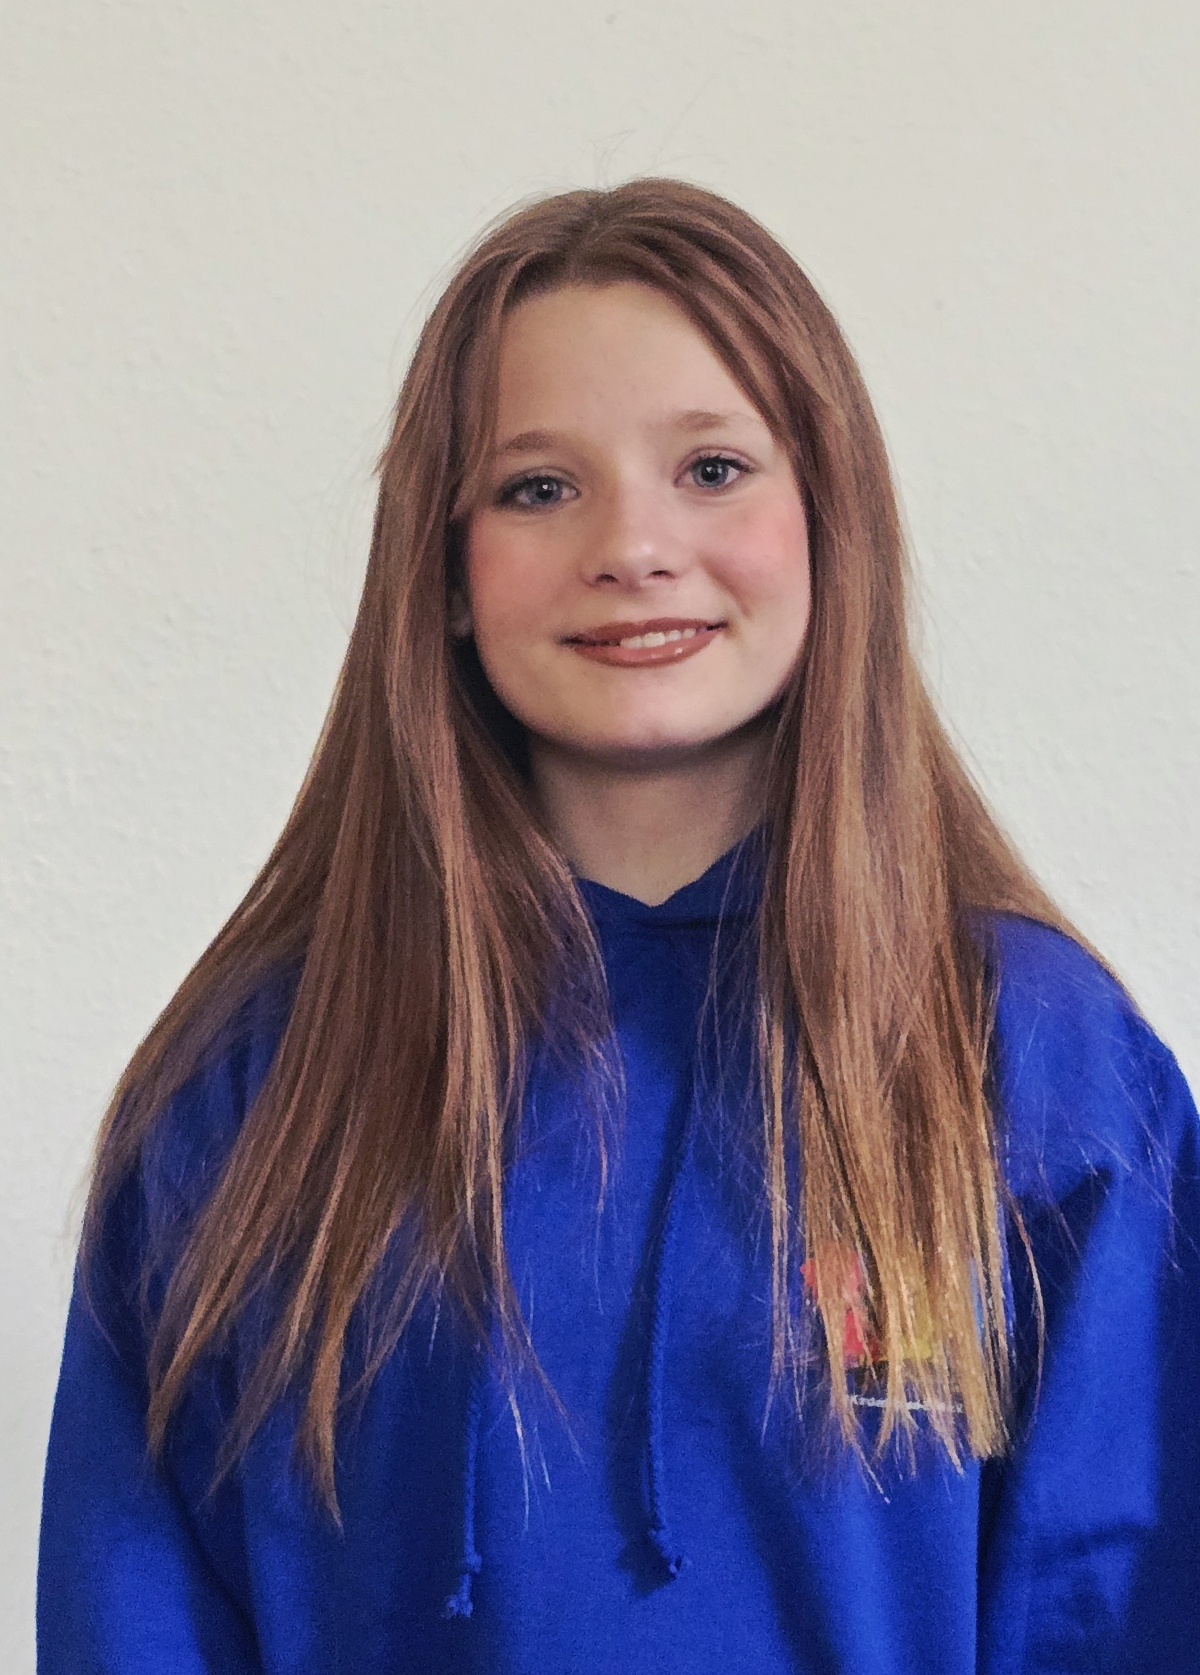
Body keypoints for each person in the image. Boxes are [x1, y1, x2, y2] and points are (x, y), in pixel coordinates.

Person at [37, 179, 1200, 1674]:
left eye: (712, 468)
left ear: (830, 522)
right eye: (539, 487)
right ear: (445, 572)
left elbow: (1131, 1605)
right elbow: (135, 1617)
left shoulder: (1033, 1055)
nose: (633, 545)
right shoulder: (263, 1080)